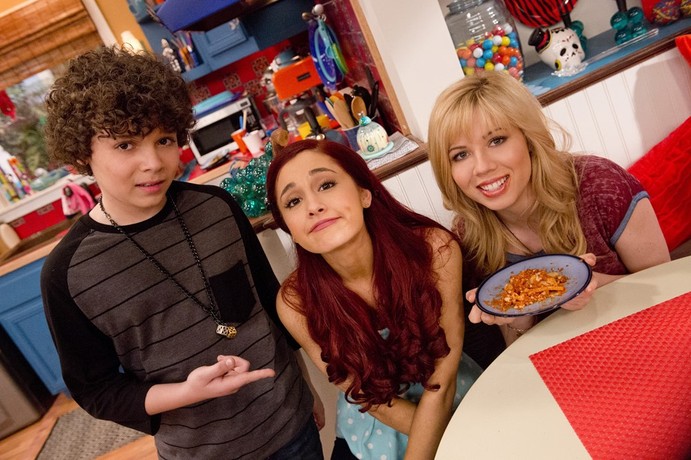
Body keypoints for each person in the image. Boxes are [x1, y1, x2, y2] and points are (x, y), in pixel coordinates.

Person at [40, 46, 324, 459]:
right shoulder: (67, 273)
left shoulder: (217, 207)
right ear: (83, 152)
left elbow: (270, 305)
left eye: (164, 140)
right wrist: (186, 392)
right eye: (125, 145)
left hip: (291, 424)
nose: (153, 162)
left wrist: (308, 386)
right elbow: (97, 392)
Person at [427, 71, 670, 368]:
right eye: (460, 155)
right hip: (569, 372)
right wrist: (517, 315)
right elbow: (519, 355)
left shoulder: (599, 184)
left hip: (651, 349)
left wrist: (591, 284)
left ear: (529, 139)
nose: (482, 167)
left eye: (496, 140)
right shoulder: (469, 234)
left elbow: (672, 290)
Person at [265, 139, 483, 460]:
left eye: (326, 185)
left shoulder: (435, 250)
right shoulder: (295, 303)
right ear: (290, 229)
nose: (313, 206)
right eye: (294, 201)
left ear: (364, 193)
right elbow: (374, 401)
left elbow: (443, 378)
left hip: (453, 399)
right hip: (372, 423)